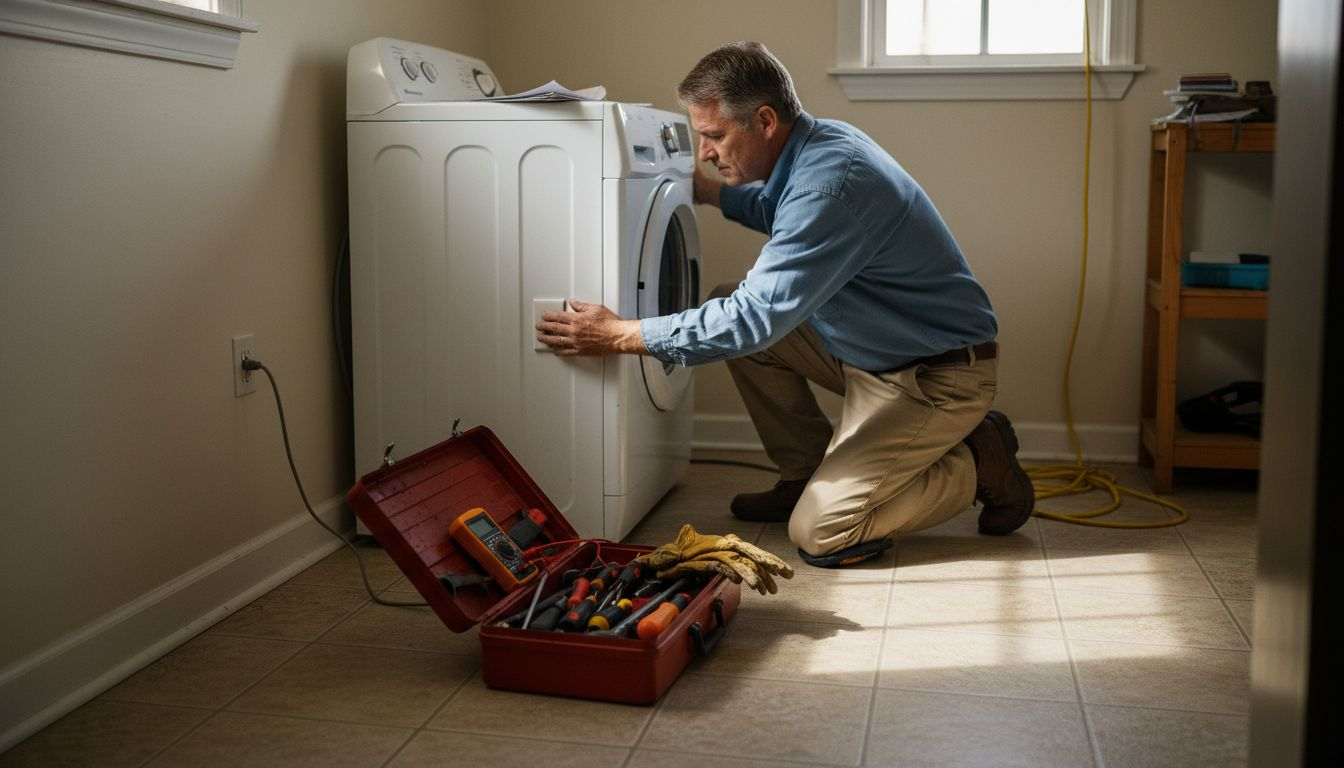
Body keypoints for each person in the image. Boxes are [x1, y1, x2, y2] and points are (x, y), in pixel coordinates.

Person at [536, 41, 1034, 567]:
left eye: (713, 136)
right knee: (729, 302)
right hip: (874, 350)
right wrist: (708, 191)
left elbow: (753, 317)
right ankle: (804, 474)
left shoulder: (831, 183)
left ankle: (979, 460)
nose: (705, 151)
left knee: (824, 532)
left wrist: (618, 335)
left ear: (765, 121)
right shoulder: (818, 143)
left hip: (936, 376)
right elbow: (777, 208)